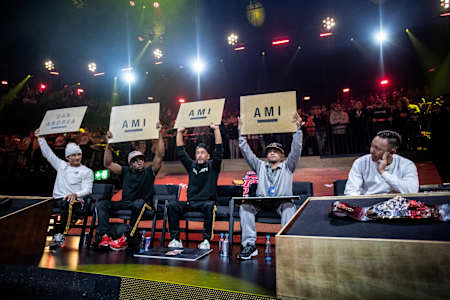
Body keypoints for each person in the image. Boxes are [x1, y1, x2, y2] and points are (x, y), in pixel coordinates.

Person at [237, 112, 303, 260]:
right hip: (262, 202)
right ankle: (250, 245)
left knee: (289, 208)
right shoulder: (260, 166)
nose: (272, 153)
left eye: (276, 151)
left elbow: (296, 149)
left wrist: (298, 129)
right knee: (245, 207)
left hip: (281, 202)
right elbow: (246, 152)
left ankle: (288, 245)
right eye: (270, 151)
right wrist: (241, 133)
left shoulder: (288, 166)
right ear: (266, 155)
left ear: (282, 156)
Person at [96, 123, 164, 250]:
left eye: (141, 159)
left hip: (145, 206)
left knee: (139, 203)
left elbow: (159, 156)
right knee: (102, 204)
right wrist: (109, 144)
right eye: (135, 160)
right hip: (127, 203)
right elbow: (108, 163)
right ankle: (104, 236)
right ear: (130, 164)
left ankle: (126, 237)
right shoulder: (125, 171)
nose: (139, 161)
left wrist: (159, 134)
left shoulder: (150, 171)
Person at [167, 123, 223, 250]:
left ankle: (206, 240)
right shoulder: (191, 165)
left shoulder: (213, 166)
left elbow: (219, 149)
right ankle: (176, 239)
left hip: (206, 203)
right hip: (191, 203)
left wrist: (216, 130)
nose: (200, 155)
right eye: (197, 153)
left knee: (210, 206)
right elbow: (180, 152)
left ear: (208, 156)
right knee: (172, 205)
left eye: (203, 153)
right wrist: (180, 133)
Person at [35, 129, 94, 248]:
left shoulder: (87, 171)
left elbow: (88, 189)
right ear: (68, 157)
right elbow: (48, 154)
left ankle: (59, 238)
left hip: (76, 201)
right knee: (39, 205)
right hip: (58, 199)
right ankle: (35, 237)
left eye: (78, 154)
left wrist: (76, 194)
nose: (77, 157)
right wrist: (40, 138)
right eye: (73, 155)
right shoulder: (62, 166)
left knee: (69, 204)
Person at [344, 130, 419, 195]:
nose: (371, 151)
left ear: (392, 152)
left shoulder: (407, 165)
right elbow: (351, 191)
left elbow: (412, 191)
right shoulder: (360, 163)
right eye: (372, 146)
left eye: (377, 148)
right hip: (368, 208)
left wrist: (383, 173)